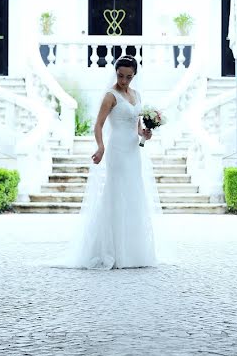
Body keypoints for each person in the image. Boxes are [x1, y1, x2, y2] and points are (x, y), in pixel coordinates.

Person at [61, 55, 164, 269]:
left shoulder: (136, 94)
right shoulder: (110, 95)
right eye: (120, 75)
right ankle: (112, 250)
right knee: (116, 194)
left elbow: (136, 125)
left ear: (134, 75)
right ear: (115, 73)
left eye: (128, 76)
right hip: (116, 149)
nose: (124, 80)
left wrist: (145, 134)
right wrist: (100, 147)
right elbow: (98, 124)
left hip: (133, 150)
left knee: (134, 194)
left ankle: (133, 251)